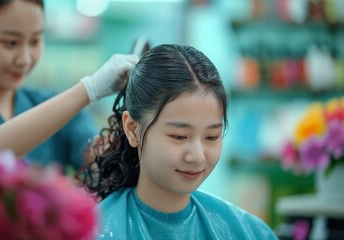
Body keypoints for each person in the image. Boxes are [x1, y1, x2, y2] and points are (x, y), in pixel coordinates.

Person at [84, 44, 278, 239]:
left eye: (211, 137)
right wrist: (88, 88)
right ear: (133, 130)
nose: (197, 156)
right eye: (179, 136)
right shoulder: (95, 232)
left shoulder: (249, 233)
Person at [0, 0, 138, 171]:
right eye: (10, 43)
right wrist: (90, 88)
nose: (25, 59)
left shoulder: (57, 109)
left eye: (35, 41)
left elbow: (101, 162)